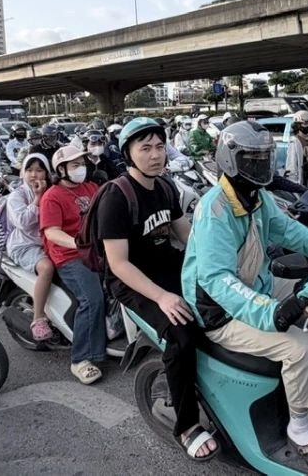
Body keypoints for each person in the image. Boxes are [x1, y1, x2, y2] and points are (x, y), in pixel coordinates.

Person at [182, 121, 308, 473]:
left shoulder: (257, 198)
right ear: (231, 161)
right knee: (297, 345)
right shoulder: (216, 211)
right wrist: (272, 313)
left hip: (255, 287)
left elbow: (293, 233)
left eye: (265, 158)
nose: (262, 166)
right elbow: (217, 280)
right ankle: (300, 427)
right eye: (252, 159)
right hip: (220, 311)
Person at [97, 119, 216, 461]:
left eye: (160, 146)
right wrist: (162, 297)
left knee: (220, 305)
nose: (155, 155)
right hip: (132, 280)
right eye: (145, 148)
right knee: (181, 336)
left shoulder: (165, 187)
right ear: (128, 154)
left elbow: (185, 235)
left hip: (167, 265)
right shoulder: (117, 197)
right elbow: (118, 264)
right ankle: (188, 425)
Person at [40, 145, 105, 384]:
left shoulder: (91, 188)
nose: (81, 169)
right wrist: (79, 245)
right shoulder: (52, 196)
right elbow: (52, 233)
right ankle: (81, 359)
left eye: (82, 164)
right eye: (75, 165)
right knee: (92, 299)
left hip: (96, 250)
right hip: (70, 257)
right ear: (61, 169)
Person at [5, 153, 55, 341]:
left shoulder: (53, 190)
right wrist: (37, 198)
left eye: (39, 170)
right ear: (23, 173)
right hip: (25, 245)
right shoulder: (17, 196)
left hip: (49, 241)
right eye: (30, 170)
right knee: (47, 268)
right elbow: (23, 222)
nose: (34, 174)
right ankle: (38, 318)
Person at [285, 110, 308, 188]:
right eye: (305, 123)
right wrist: (293, 182)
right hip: (303, 179)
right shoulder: (294, 141)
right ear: (298, 125)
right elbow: (292, 163)